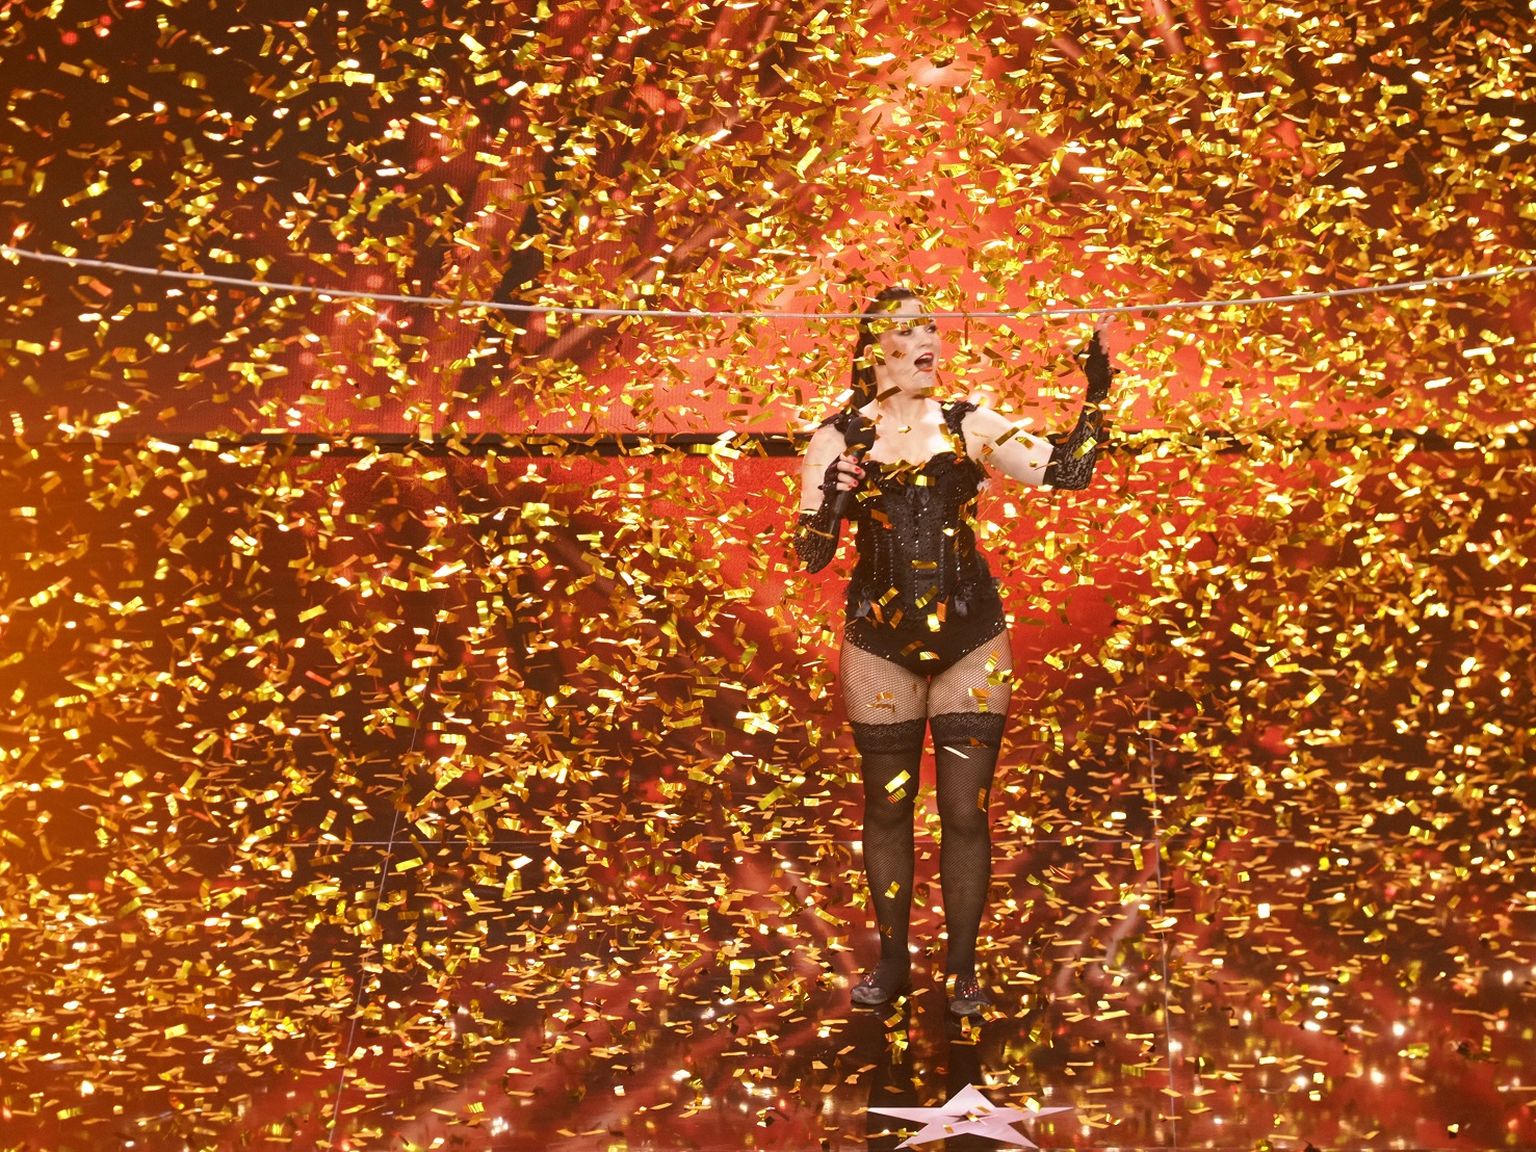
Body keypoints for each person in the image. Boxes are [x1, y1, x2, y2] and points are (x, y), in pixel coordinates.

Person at [793, 286, 1115, 1017]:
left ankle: (962, 968)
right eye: (909, 330)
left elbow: (1068, 472)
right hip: (880, 645)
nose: (929, 341)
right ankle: (892, 961)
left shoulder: (970, 424)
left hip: (972, 640)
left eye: (931, 328)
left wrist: (1097, 392)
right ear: (875, 349)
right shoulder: (837, 438)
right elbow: (810, 556)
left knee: (965, 810)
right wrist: (835, 499)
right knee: (887, 808)